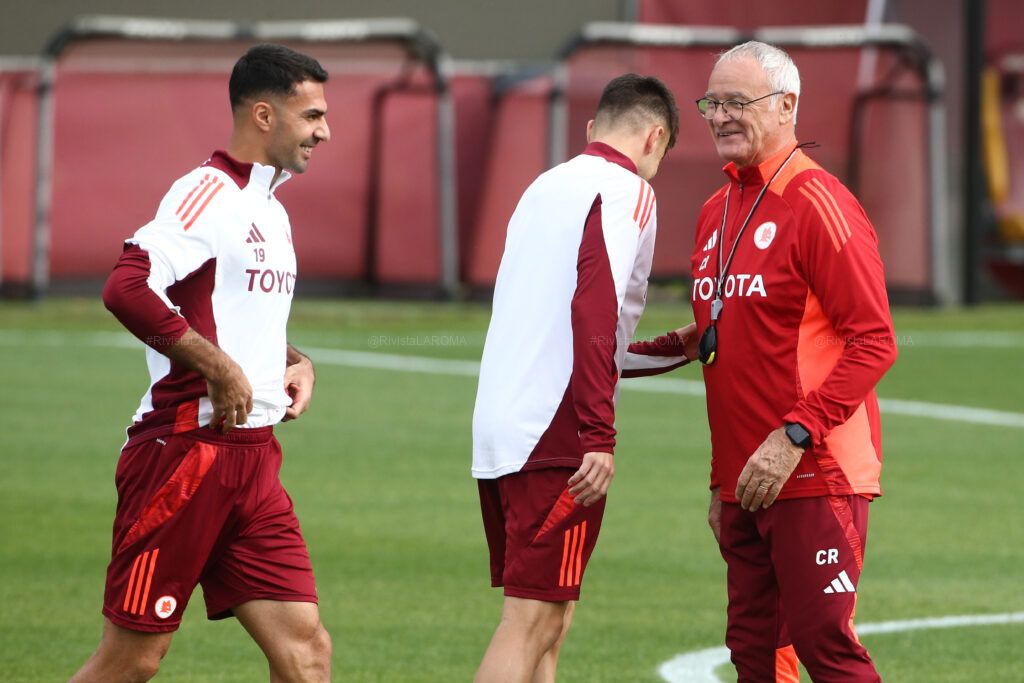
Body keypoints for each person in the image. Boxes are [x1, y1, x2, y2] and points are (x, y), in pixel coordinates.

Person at [626, 42, 897, 681]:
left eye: (736, 103)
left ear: (786, 106)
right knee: (755, 657)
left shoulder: (819, 203)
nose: (720, 116)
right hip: (745, 480)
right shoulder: (716, 210)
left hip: (814, 468)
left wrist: (794, 435)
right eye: (711, 103)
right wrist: (608, 358)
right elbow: (720, 334)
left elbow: (874, 340)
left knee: (825, 648)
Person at [70, 44, 333, 682]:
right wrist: (215, 366)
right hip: (183, 455)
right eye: (312, 116)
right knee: (133, 660)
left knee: (306, 653)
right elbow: (126, 286)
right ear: (265, 115)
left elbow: (239, 316)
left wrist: (292, 362)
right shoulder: (205, 192)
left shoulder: (272, 207)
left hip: (255, 460)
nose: (324, 132)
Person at [471, 74, 680, 683]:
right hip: (555, 431)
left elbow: (565, 325)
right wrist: (598, 434)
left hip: (503, 424)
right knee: (530, 621)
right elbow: (595, 309)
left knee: (551, 622)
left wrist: (676, 350)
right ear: (655, 137)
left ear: (592, 129)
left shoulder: (542, 186)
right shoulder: (627, 191)